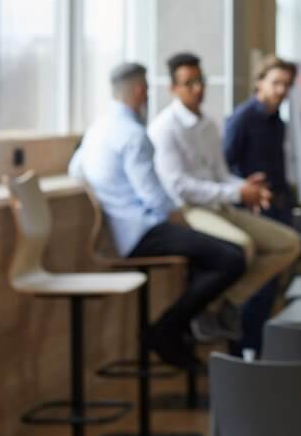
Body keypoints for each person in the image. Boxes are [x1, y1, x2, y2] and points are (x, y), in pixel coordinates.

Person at [69, 62, 246, 370]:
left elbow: (76, 170)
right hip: (142, 232)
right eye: (147, 88)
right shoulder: (134, 134)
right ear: (140, 90)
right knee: (230, 257)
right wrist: (180, 219)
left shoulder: (97, 128)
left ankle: (178, 329)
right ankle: (167, 330)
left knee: (213, 253)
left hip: (122, 231)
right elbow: (153, 197)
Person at [148, 52, 301, 352]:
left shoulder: (207, 124)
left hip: (222, 206)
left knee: (289, 244)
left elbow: (220, 174)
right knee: (244, 246)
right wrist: (236, 193)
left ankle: (224, 302)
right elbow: (180, 187)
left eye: (200, 81)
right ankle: (211, 311)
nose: (197, 88)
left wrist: (245, 187)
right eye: (189, 83)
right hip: (190, 211)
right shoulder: (164, 128)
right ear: (173, 88)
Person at [222, 55, 299, 355]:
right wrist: (246, 187)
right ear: (260, 82)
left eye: (286, 85)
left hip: (279, 206)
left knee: (273, 286)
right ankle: (243, 350)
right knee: (255, 283)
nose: (281, 90)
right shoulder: (241, 118)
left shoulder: (277, 122)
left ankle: (259, 349)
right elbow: (225, 166)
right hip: (252, 209)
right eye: (276, 83)